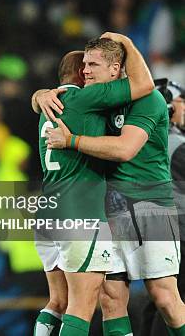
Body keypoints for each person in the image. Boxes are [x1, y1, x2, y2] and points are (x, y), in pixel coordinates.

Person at [41, 34, 185, 335]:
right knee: (111, 298)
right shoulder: (99, 99)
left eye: (93, 64)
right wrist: (40, 95)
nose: (86, 71)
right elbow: (65, 98)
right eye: (84, 64)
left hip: (150, 205)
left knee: (165, 297)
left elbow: (124, 149)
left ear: (116, 68)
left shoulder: (148, 98)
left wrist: (71, 141)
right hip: (110, 207)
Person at [139, 79, 185, 336]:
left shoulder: (141, 139)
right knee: (172, 303)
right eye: (181, 103)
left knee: (159, 301)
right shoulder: (175, 144)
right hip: (177, 232)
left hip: (152, 229)